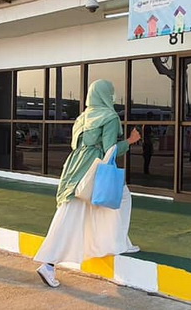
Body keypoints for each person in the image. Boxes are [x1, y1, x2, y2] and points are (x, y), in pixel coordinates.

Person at [34, 80, 141, 288]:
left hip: (74, 166)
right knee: (73, 213)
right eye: (110, 94)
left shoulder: (83, 117)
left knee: (111, 201)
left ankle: (119, 242)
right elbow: (109, 151)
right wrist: (130, 141)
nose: (112, 98)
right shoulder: (109, 117)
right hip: (93, 169)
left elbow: (77, 145)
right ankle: (48, 263)